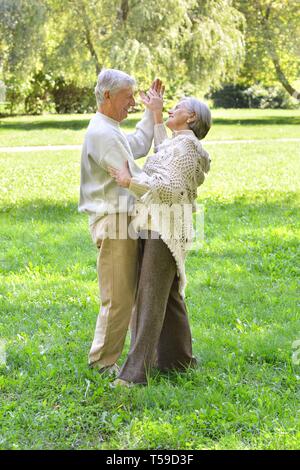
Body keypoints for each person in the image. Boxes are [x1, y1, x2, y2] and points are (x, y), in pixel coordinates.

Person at [109, 89, 212, 386]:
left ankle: (134, 375)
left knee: (149, 300)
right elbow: (163, 151)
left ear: (190, 117)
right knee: (167, 296)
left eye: (176, 107)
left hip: (165, 229)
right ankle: (178, 360)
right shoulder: (179, 144)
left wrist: (132, 182)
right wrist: (155, 112)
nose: (171, 108)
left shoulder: (187, 149)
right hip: (158, 224)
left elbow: (168, 188)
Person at [79, 69, 164, 374]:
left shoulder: (109, 127)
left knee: (123, 294)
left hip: (121, 219)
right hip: (114, 221)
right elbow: (135, 177)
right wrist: (169, 185)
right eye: (128, 96)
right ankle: (101, 363)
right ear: (107, 95)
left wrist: (151, 112)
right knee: (117, 297)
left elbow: (138, 145)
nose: (132, 101)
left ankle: (108, 359)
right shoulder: (103, 133)